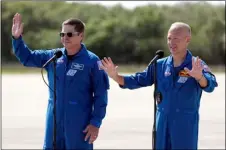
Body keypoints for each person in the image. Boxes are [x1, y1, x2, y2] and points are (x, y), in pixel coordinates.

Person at [100, 22, 218, 149]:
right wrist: (115, 77)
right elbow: (139, 79)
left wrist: (199, 77)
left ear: (187, 40)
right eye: (169, 38)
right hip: (162, 124)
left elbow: (210, 85)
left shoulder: (196, 64)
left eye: (176, 39)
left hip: (184, 124)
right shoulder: (159, 65)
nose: (171, 42)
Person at [11, 13, 110, 149]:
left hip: (79, 124)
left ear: (81, 36)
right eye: (62, 34)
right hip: (54, 122)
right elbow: (27, 58)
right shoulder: (53, 57)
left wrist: (96, 122)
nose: (65, 38)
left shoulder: (92, 61)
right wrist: (17, 39)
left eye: (69, 34)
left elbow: (101, 95)